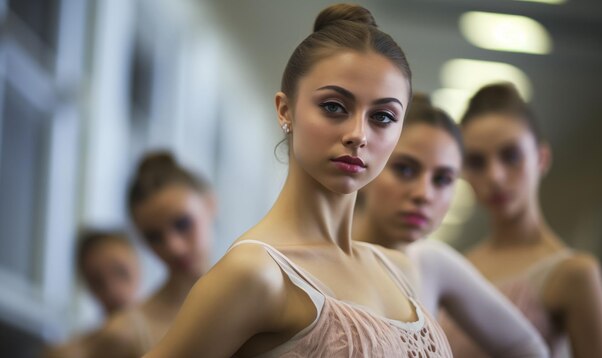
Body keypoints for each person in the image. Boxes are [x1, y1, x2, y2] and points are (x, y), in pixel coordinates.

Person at [145, 4, 452, 357]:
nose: (358, 135)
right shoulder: (255, 275)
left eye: (382, 116)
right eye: (334, 106)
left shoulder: (401, 271)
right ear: (285, 110)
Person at [354, 93, 548, 357]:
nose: (424, 193)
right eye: (405, 169)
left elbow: (529, 349)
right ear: (367, 163)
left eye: (443, 179)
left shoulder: (433, 264)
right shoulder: (313, 254)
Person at [443, 83, 602, 357]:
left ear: (541, 158)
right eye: (476, 162)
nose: (495, 176)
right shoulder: (460, 266)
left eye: (510, 156)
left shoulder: (574, 274)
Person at [89, 151, 216, 358]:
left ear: (211, 204)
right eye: (154, 237)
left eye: (183, 224)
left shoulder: (254, 297)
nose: (174, 247)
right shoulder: (124, 334)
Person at [43, 230, 141, 358]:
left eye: (121, 272)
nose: (112, 290)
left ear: (138, 266)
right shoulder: (71, 353)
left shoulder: (169, 336)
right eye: (97, 282)